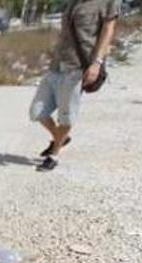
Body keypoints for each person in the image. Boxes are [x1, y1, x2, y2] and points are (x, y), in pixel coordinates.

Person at [29, 0, 120, 171]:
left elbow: (108, 31)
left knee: (66, 115)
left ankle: (54, 155)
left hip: (77, 67)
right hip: (57, 64)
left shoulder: (108, 2)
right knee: (36, 112)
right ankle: (61, 138)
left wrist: (97, 63)